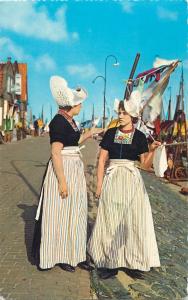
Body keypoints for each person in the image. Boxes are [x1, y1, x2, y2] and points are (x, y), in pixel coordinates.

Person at [87, 90, 161, 279]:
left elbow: (144, 165)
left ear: (133, 115)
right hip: (113, 179)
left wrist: (152, 150)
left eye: (123, 113)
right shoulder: (111, 133)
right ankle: (109, 262)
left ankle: (133, 262)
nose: (120, 116)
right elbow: (102, 160)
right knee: (110, 218)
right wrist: (99, 185)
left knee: (133, 220)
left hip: (132, 181)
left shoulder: (139, 137)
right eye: (119, 113)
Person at [32, 76, 102, 272]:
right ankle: (60, 255)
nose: (81, 107)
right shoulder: (58, 122)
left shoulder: (70, 121)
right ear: (73, 105)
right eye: (80, 104)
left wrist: (91, 133)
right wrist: (62, 182)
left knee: (76, 211)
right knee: (61, 213)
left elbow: (75, 141)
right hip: (62, 168)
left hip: (74, 167)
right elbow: (56, 152)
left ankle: (76, 253)